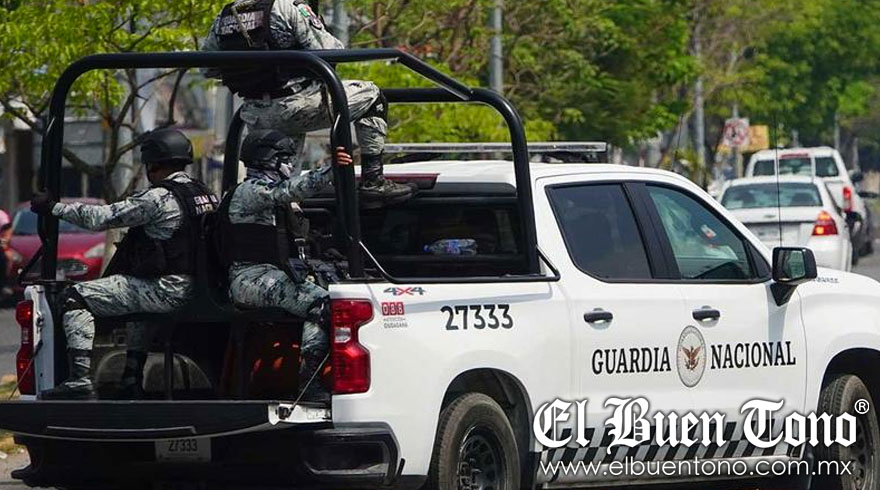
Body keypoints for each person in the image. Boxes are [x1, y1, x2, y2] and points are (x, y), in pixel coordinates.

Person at [30, 129, 219, 400]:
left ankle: (79, 380)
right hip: (198, 288)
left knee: (74, 297)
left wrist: (53, 208)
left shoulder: (158, 198)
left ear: (152, 164)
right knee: (138, 302)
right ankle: (131, 378)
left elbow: (101, 218)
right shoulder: (204, 193)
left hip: (166, 290)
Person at [201, 0, 414, 208]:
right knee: (373, 96)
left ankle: (285, 224)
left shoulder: (226, 16)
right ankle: (373, 181)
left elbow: (207, 68)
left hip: (255, 114)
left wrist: (254, 75)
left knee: (281, 189)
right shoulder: (288, 7)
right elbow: (331, 51)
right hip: (296, 106)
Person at [218, 129, 350, 401]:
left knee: (340, 297)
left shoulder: (272, 197)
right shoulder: (250, 191)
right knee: (322, 305)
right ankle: (310, 384)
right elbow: (287, 191)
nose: (290, 165)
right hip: (249, 279)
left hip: (271, 275)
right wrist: (331, 170)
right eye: (286, 159)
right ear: (268, 159)